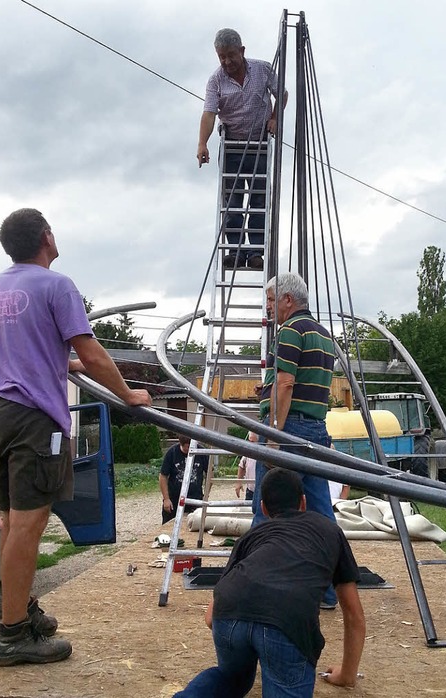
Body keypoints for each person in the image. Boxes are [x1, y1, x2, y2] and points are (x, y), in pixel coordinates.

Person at [0, 208, 152, 667]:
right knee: (30, 524)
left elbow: (26, 351)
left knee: (10, 523)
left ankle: (21, 608)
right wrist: (127, 395)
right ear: (47, 237)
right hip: (33, 418)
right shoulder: (57, 285)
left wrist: (63, 363)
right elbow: (92, 354)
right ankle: (12, 635)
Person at [173, 468, 365, 697]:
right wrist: (346, 675)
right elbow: (353, 615)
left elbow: (209, 617)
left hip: (229, 611)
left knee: (231, 678)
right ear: (303, 502)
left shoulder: (251, 536)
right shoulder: (330, 530)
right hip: (286, 619)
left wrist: (248, 635)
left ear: (263, 507)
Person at [252, 272, 339, 608]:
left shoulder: (289, 331)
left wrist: (274, 433)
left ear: (288, 300)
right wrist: (269, 389)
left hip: (289, 432)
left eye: (272, 300)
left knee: (268, 509)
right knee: (319, 513)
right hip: (316, 430)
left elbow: (287, 385)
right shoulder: (323, 334)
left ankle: (261, 589)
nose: (269, 308)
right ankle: (329, 592)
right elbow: (299, 383)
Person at [197, 28, 288, 269]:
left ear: (242, 51)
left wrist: (275, 117)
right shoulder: (215, 80)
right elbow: (209, 113)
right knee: (233, 201)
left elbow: (283, 94)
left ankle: (255, 252)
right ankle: (235, 250)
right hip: (232, 148)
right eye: (221, 57)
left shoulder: (262, 69)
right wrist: (202, 143)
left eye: (230, 55)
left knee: (258, 198)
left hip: (259, 144)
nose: (227, 62)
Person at [160, 435, 209, 523]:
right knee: (168, 526)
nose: (190, 450)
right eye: (187, 448)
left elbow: (210, 474)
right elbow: (163, 476)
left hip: (195, 498)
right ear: (181, 444)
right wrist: (166, 499)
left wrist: (206, 495)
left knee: (196, 527)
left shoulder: (202, 452)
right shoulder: (172, 453)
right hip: (175, 499)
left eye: (192, 447)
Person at [234, 431, 257, 500]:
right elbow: (242, 466)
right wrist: (239, 482)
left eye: (253, 442)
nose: (250, 444)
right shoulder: (248, 453)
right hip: (250, 491)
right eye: (249, 441)